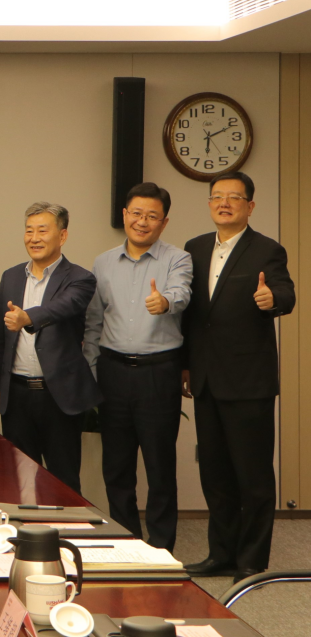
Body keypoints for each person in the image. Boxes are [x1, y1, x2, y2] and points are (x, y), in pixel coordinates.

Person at [181, 171, 295, 583]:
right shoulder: (194, 248)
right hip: (206, 378)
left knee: (253, 476)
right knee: (215, 474)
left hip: (249, 381)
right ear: (210, 204)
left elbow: (286, 294)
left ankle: (252, 560)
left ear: (250, 205)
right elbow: (193, 315)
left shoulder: (267, 249)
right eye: (217, 197)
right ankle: (221, 554)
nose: (224, 203)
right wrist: (186, 365)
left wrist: (272, 299)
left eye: (234, 197)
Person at [84, 182, 192, 552]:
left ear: (164, 222)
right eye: (136, 214)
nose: (142, 222)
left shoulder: (177, 259)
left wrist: (165, 302)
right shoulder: (103, 262)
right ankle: (125, 541)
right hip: (112, 371)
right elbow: (94, 322)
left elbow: (182, 292)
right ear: (125, 215)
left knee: (160, 466)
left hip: (158, 372)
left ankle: (160, 548)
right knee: (116, 466)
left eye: (152, 216)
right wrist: (92, 370)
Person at [0, 202, 100, 493]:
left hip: (58, 395)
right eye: (29, 231)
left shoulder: (80, 278)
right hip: (16, 395)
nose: (34, 238)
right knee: (18, 478)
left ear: (62, 236)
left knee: (63, 480)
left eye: (42, 230)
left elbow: (64, 306)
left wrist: (28, 318)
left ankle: (67, 523)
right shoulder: (11, 276)